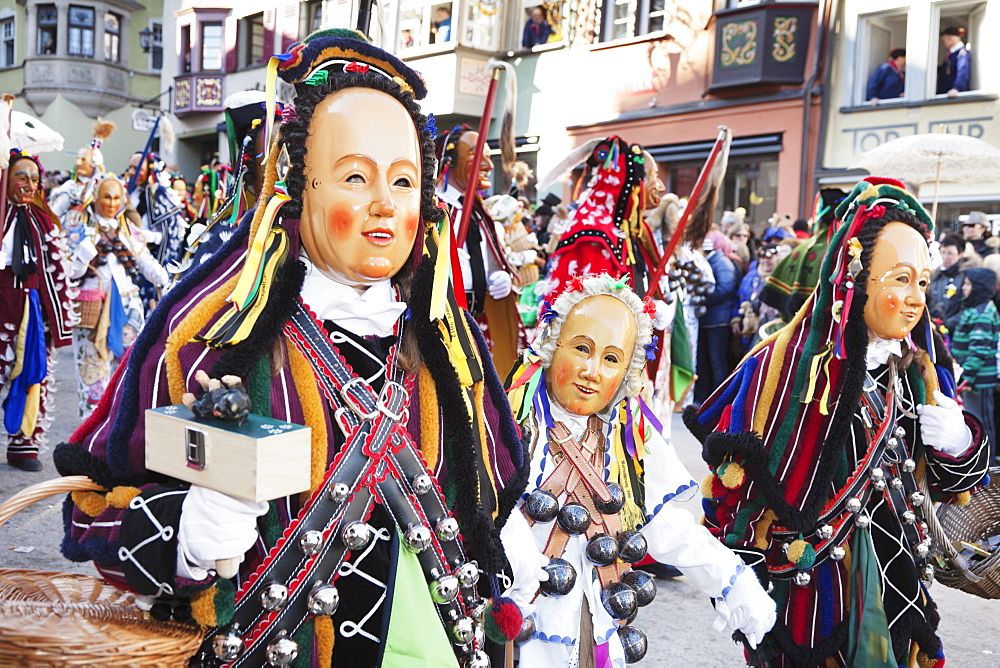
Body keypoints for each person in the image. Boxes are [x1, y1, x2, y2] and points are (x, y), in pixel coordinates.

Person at [57, 29, 531, 667]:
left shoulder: (450, 340)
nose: (384, 205)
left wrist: (511, 539)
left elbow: (491, 488)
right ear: (298, 185)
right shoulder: (209, 329)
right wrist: (187, 533)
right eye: (355, 177)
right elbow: (88, 509)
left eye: (404, 180)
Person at [686, 178, 990, 667]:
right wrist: (734, 579)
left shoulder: (917, 368)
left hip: (898, 577)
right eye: (900, 278)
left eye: (924, 282)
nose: (916, 298)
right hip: (811, 593)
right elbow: (731, 498)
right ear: (856, 276)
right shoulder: (780, 369)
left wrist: (957, 441)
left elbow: (951, 487)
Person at [504, 274, 775, 666]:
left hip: (593, 625)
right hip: (523, 627)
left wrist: (733, 581)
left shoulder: (626, 435)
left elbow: (663, 526)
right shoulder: (512, 418)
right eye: (582, 348)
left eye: (611, 358)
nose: (592, 371)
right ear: (551, 343)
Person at [66, 176, 168, 418]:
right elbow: (70, 272)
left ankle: (118, 433)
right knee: (92, 375)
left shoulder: (127, 230)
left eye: (116, 197)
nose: (111, 203)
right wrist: (82, 255)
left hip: (128, 308)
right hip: (92, 308)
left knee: (128, 372)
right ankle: (89, 435)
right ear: (95, 198)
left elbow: (145, 261)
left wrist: (166, 280)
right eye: (106, 197)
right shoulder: (81, 230)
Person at [0, 150, 74, 471]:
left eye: (34, 178)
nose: (29, 184)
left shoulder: (45, 221)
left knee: (34, 376)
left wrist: (60, 320)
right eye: (21, 176)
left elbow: (58, 272)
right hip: (2, 304)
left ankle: (24, 442)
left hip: (32, 309)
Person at [435, 124, 523, 374]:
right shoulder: (432, 211)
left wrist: (501, 276)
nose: (489, 166)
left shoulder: (481, 213)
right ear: (449, 161)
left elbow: (496, 257)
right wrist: (443, 269)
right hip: (446, 326)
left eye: (489, 157)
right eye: (477, 156)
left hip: (482, 325)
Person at [951, 266, 1000, 457]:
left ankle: (989, 460)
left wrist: (967, 376)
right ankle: (979, 457)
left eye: (969, 284)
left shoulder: (983, 313)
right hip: (971, 378)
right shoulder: (973, 309)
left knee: (983, 422)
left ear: (979, 287)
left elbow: (979, 350)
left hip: (979, 380)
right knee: (973, 418)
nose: (963, 287)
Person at [693, 230, 738, 402]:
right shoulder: (712, 261)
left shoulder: (722, 262)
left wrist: (703, 301)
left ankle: (718, 399)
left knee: (717, 361)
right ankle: (704, 397)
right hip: (708, 319)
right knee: (704, 361)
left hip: (718, 321)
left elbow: (726, 287)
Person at [49, 119, 116, 224]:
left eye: (83, 159)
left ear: (95, 164)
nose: (78, 163)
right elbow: (53, 216)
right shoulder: (70, 188)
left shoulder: (106, 187)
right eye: (78, 158)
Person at [928, 234, 977, 335]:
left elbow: (968, 307)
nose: (945, 257)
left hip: (957, 332)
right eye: (943, 252)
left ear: (960, 254)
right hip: (934, 329)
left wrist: (947, 325)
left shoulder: (966, 277)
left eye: (950, 253)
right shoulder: (934, 275)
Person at [937, 26, 970, 97]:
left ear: (950, 38)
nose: (943, 42)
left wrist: (956, 88)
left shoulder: (961, 53)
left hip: (953, 96)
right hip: (945, 94)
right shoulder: (952, 54)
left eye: (943, 40)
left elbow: (963, 72)